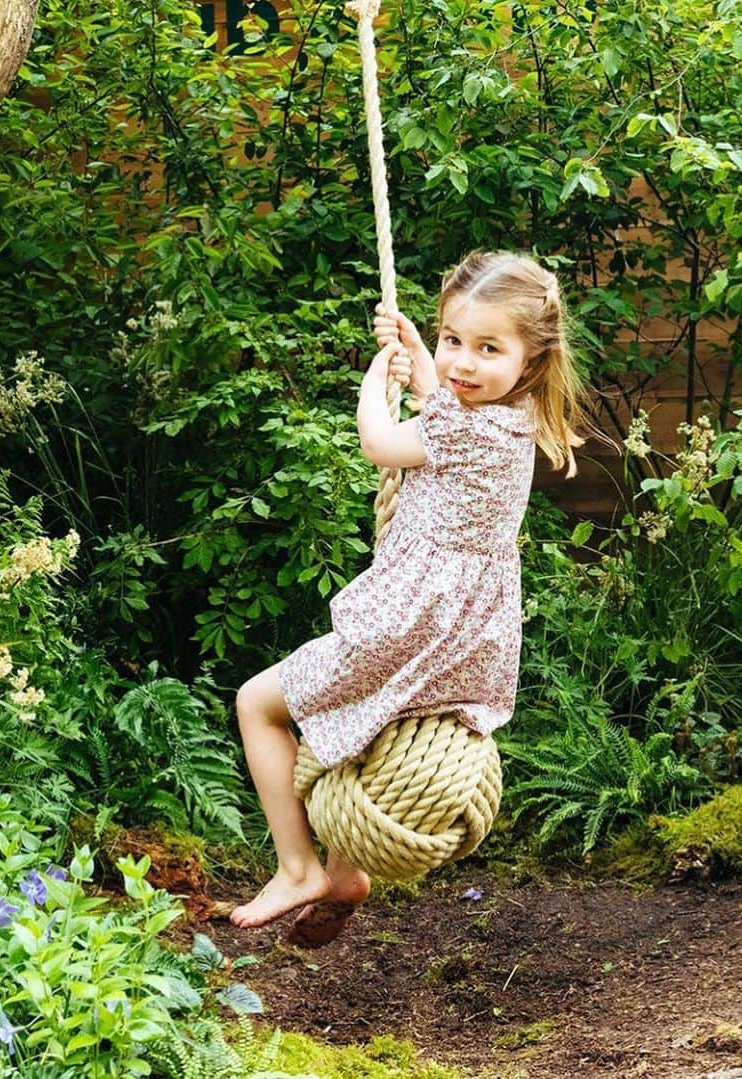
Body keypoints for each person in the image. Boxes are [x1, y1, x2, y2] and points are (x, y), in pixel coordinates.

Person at [230, 250, 589, 944]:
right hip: (467, 640)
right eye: (455, 339)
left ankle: (297, 864)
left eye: (488, 347)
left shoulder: (457, 426)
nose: (463, 362)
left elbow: (380, 442)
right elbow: (450, 403)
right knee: (370, 725)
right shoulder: (510, 420)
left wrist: (376, 379)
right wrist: (424, 358)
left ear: (532, 360)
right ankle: (344, 871)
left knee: (257, 704)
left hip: (406, 629)